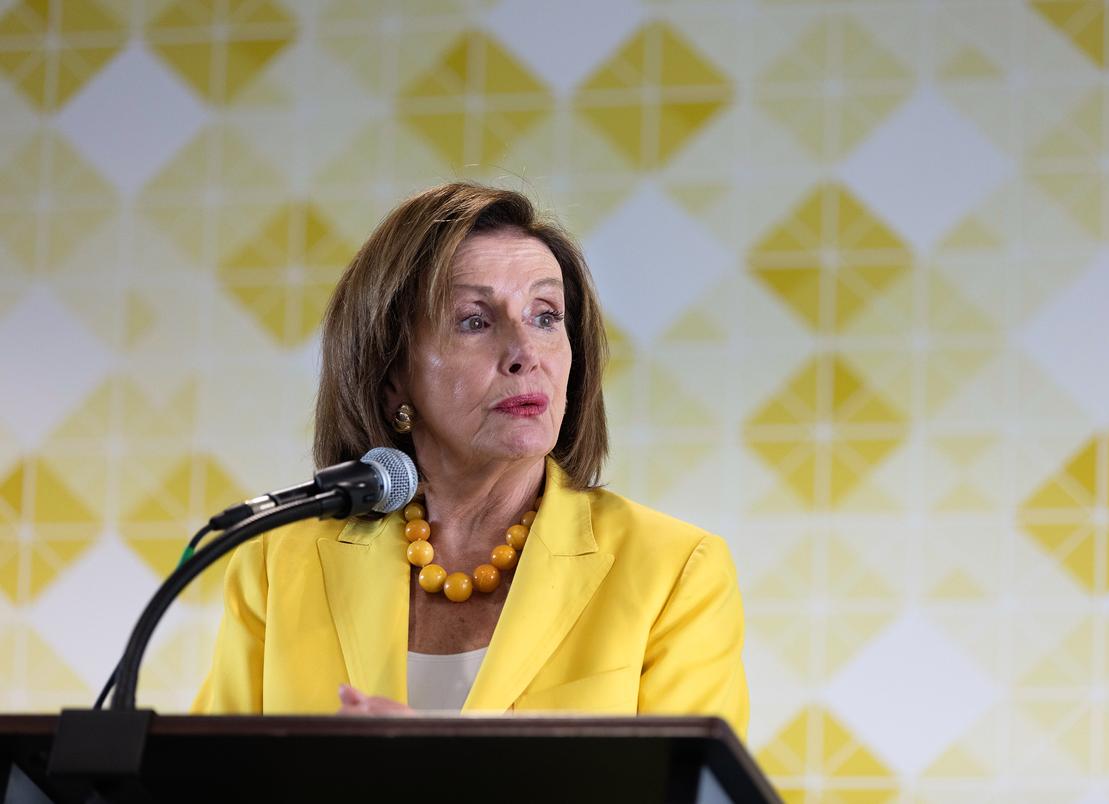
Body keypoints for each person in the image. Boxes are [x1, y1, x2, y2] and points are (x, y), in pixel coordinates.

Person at [193, 183, 749, 738]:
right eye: (474, 321)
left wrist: (443, 776)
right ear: (391, 375)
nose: (526, 354)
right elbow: (210, 781)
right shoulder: (278, 563)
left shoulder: (673, 571)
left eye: (546, 316)